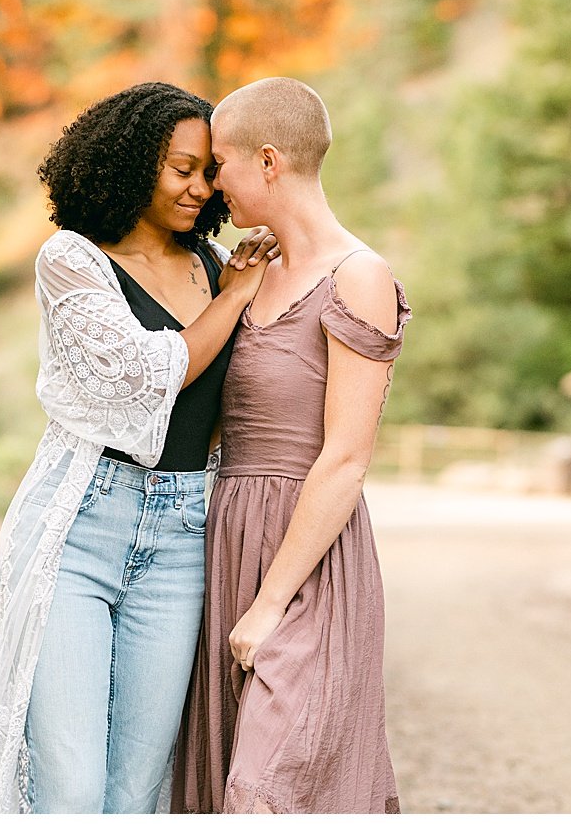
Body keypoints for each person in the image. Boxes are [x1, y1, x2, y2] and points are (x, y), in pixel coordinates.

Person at [0, 81, 279, 814]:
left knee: (137, 788)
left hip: (183, 536)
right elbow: (144, 380)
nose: (200, 188)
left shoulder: (214, 261)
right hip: (81, 527)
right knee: (69, 785)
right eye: (181, 168)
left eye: (209, 172)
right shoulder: (72, 261)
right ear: (133, 163)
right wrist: (232, 298)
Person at [174, 77, 411, 814]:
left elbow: (345, 457)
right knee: (221, 781)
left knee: (268, 788)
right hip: (229, 540)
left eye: (221, 165)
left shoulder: (359, 277)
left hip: (308, 563)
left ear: (269, 161)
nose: (213, 186)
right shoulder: (244, 273)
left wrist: (271, 600)